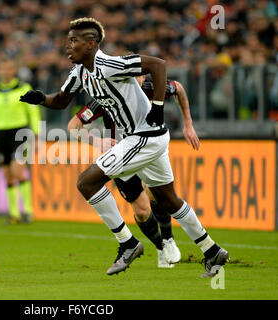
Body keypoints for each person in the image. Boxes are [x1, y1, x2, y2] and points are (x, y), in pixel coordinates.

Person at [20, 17, 228, 277]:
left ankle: (128, 244)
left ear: (91, 43)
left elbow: (158, 65)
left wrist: (159, 108)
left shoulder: (110, 65)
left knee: (86, 182)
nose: (67, 46)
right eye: (68, 40)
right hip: (148, 139)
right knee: (168, 200)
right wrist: (40, 99)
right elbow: (61, 101)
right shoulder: (80, 73)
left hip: (142, 136)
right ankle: (212, 251)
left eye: (73, 40)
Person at [67, 75, 199, 268]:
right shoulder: (106, 97)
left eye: (136, 75)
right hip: (121, 157)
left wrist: (188, 124)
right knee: (142, 211)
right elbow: (73, 126)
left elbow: (178, 87)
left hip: (146, 149)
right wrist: (95, 140)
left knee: (156, 193)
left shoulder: (150, 87)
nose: (133, 80)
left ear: (143, 76)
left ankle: (169, 239)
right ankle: (161, 248)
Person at [0, 57, 41, 224]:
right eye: (3, 69)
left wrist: (37, 135)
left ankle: (29, 212)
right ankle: (14, 214)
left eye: (9, 69)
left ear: (14, 71)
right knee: (8, 175)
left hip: (20, 132)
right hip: (2, 134)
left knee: (18, 170)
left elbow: (33, 113)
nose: (6, 72)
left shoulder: (24, 88)